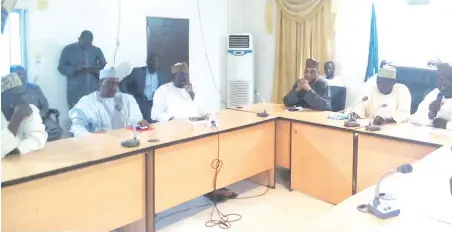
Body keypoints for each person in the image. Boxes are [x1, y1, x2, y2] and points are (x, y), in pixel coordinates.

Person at [69, 67, 149, 136]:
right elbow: (77, 126)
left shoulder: (128, 99)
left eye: (117, 83)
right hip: (98, 146)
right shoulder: (87, 102)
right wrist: (91, 137)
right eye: (110, 83)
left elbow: (136, 119)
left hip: (126, 143)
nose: (115, 87)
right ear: (100, 83)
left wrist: (140, 123)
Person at [10, 65, 62, 141]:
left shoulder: (35, 88)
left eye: (23, 73)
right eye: (18, 74)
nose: (21, 76)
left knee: (55, 131)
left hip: (40, 118)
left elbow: (45, 106)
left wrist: (38, 117)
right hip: (19, 123)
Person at [1, 73, 47, 157]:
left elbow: (39, 136)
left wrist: (18, 150)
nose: (23, 99)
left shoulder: (30, 109)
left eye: (23, 93)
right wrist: (17, 118)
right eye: (17, 95)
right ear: (3, 97)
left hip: (24, 160)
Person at [58, 30, 107, 109]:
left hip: (93, 89)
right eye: (85, 42)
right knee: (77, 115)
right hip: (76, 91)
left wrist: (95, 69)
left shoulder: (96, 50)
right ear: (79, 39)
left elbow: (103, 63)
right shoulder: (68, 50)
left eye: (89, 43)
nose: (87, 45)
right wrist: (75, 69)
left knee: (94, 115)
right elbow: (61, 67)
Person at [120, 54, 166, 121]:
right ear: (148, 62)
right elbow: (122, 84)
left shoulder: (161, 75)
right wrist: (129, 98)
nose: (158, 64)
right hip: (141, 103)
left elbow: (164, 91)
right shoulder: (138, 72)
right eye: (156, 61)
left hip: (155, 104)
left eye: (159, 62)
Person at [411, 62, 452, 130]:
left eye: (446, 78)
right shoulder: (434, 94)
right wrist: (430, 116)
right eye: (439, 79)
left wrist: (446, 125)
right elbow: (414, 118)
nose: (440, 82)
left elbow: (442, 125)